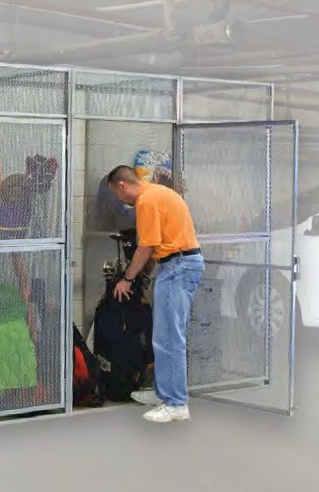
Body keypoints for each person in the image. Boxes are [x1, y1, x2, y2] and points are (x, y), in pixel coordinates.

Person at [107, 165, 205, 423]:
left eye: (117, 194)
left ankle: (176, 403)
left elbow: (146, 246)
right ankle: (164, 392)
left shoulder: (146, 201)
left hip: (178, 267)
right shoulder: (158, 192)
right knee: (163, 334)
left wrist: (127, 279)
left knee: (170, 337)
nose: (119, 200)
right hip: (177, 265)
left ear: (122, 186)